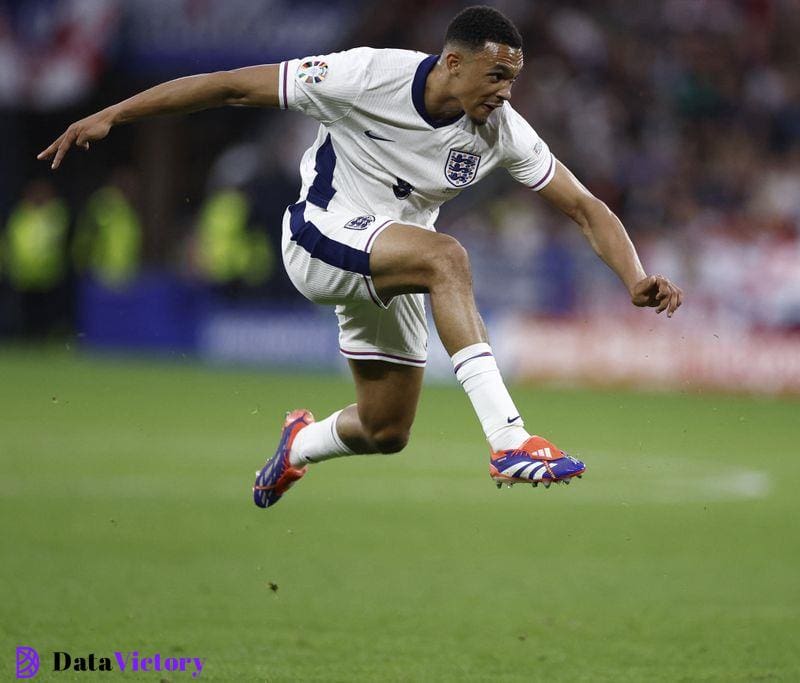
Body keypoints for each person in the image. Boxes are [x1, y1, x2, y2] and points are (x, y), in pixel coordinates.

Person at [38, 6, 684, 506]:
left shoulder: (502, 129)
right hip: (320, 235)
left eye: (513, 79)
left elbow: (583, 205)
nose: (505, 92)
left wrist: (633, 275)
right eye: (496, 76)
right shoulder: (365, 73)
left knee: (385, 430)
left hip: (390, 261)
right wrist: (113, 116)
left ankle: (302, 443)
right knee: (448, 257)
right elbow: (233, 85)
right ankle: (509, 439)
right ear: (452, 63)